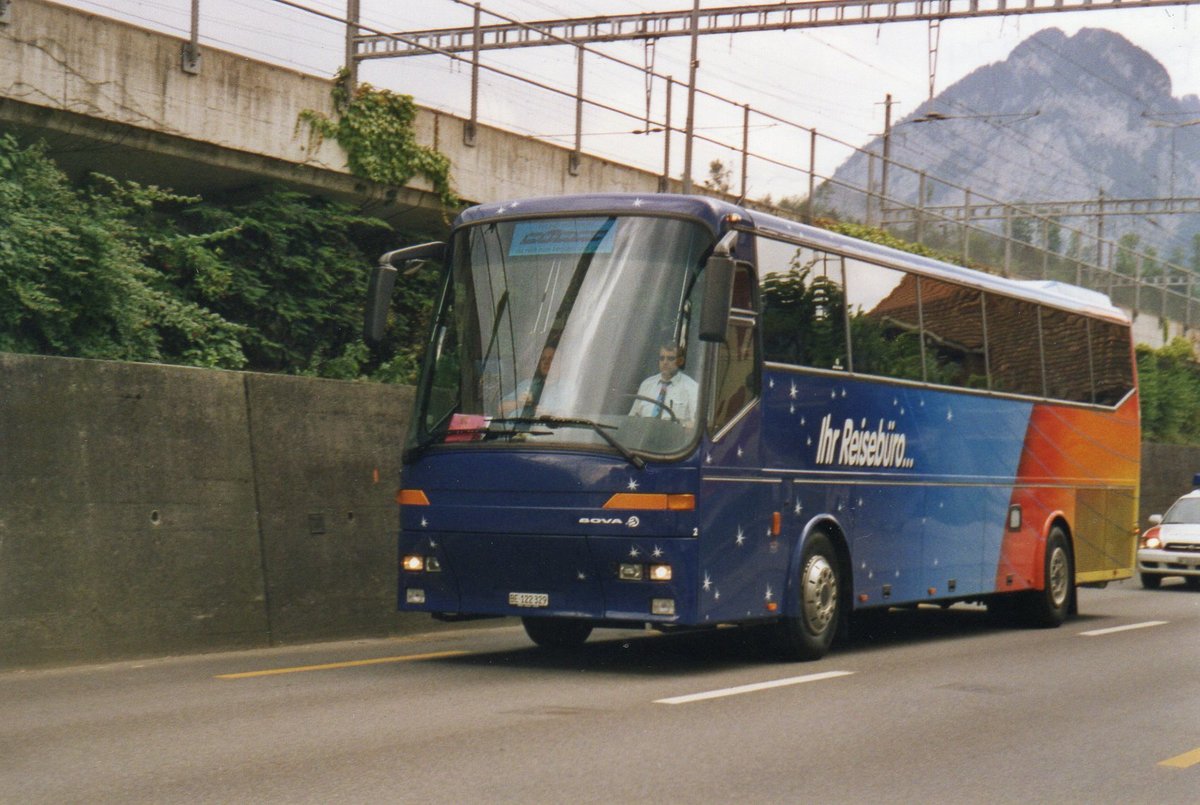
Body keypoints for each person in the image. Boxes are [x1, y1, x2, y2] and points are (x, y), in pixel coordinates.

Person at [628, 343, 698, 425]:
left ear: (680, 361)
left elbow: (695, 424)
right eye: (662, 358)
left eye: (670, 358)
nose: (665, 362)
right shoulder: (646, 384)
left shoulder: (692, 387)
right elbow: (632, 418)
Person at [500, 345, 557, 417]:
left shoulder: (567, 387)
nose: (546, 362)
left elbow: (572, 414)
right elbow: (500, 408)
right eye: (543, 359)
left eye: (551, 359)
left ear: (559, 362)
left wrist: (551, 414)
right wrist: (519, 403)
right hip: (513, 428)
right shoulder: (527, 384)